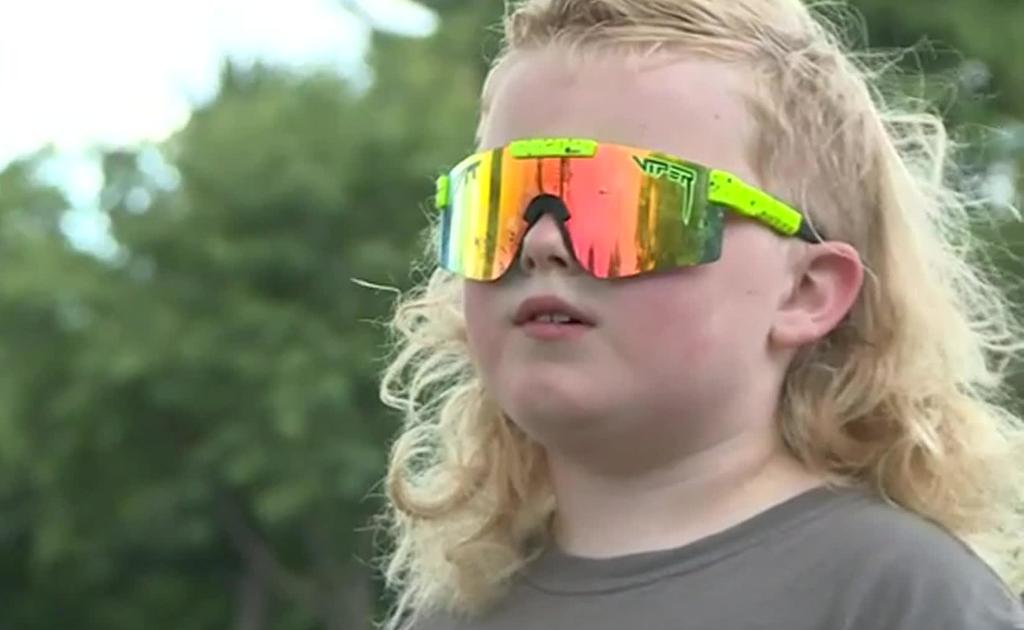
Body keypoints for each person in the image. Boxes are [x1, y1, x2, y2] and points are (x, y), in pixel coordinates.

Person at [373, 0, 1024, 629]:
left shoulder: (902, 598)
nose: (542, 242)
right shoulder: (453, 612)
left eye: (624, 205)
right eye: (500, 205)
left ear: (806, 292)